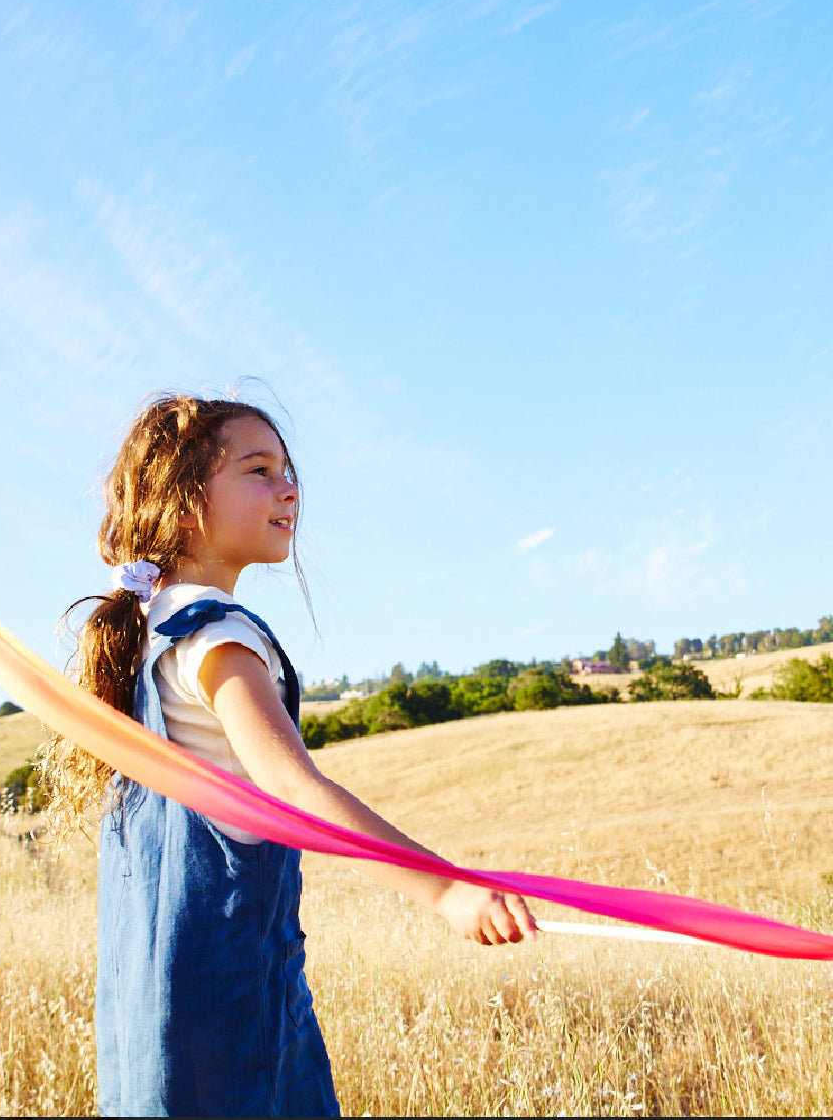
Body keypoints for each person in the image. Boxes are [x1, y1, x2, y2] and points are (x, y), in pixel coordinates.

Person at [42, 392, 537, 1117]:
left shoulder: (152, 630)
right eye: (258, 469)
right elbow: (295, 787)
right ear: (184, 505)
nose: (289, 487)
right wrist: (446, 888)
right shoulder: (216, 637)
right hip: (230, 1001)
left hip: (155, 999)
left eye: (287, 469)